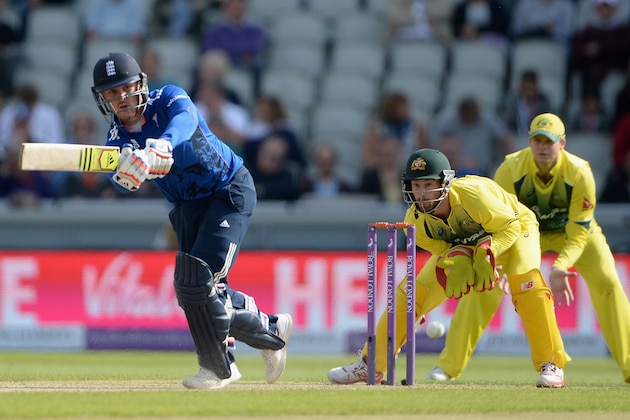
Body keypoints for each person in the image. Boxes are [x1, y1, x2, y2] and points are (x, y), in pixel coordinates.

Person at [88, 52, 292, 389]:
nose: (121, 98)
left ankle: (219, 369)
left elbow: (185, 119)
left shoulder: (168, 97)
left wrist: (163, 145)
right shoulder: (118, 138)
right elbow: (117, 171)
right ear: (103, 100)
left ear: (140, 84)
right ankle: (268, 329)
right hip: (186, 206)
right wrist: (124, 177)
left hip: (227, 189)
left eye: (125, 88)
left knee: (196, 282)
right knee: (194, 290)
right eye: (112, 93)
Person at [328, 148, 570, 388]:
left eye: (428, 185)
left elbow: (510, 227)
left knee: (526, 283)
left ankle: (552, 365)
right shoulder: (415, 224)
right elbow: (445, 250)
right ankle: (372, 364)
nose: (421, 194)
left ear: (445, 183)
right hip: (470, 246)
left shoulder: (474, 196)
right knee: (411, 293)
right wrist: (460, 258)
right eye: (416, 186)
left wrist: (488, 253)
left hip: (514, 232)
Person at [427, 113, 630, 384]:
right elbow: (496, 223)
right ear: (530, 142)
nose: (543, 147)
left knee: (607, 281)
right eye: (537, 140)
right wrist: (494, 260)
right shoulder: (511, 168)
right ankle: (448, 367)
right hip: (524, 231)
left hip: (572, 233)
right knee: (485, 286)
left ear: (563, 143)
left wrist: (561, 265)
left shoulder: (580, 173)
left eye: (549, 141)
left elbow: (579, 231)